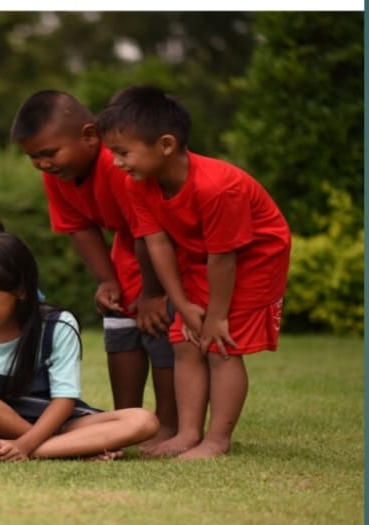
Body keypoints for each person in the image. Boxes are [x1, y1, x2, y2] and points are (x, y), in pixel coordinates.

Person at [95, 84, 291, 460]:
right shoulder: (138, 183)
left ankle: (217, 440)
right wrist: (182, 304)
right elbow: (157, 245)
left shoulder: (217, 188)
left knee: (219, 345)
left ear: (166, 145)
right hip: (205, 257)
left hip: (253, 259)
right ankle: (187, 434)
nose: (117, 163)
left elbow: (225, 257)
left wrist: (216, 317)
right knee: (184, 340)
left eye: (123, 153)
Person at [8, 90, 177, 451]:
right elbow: (80, 228)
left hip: (163, 253)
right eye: (33, 157)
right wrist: (107, 281)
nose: (41, 164)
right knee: (120, 329)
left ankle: (169, 425)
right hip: (129, 251)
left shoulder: (118, 167)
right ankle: (124, 419)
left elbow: (150, 233)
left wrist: (152, 294)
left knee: (160, 332)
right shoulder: (57, 176)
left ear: (89, 135)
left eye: (49, 153)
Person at [0, 232, 159, 462]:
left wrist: (25, 445)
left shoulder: (57, 326)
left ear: (20, 291)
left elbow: (64, 399)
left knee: (143, 420)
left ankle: (25, 448)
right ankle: (70, 448)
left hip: (57, 420)